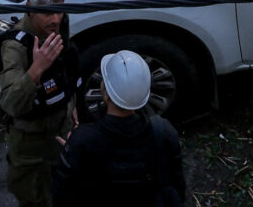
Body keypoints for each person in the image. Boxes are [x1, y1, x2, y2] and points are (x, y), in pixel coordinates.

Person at [50, 50, 185, 207]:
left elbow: (62, 194)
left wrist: (72, 149)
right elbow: (177, 186)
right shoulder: (164, 132)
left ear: (106, 95)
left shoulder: (82, 140)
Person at [0, 0, 83, 206]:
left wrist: (70, 103)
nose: (55, 19)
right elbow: (10, 104)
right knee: (34, 199)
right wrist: (37, 69)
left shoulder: (59, 26)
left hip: (62, 134)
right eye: (47, 13)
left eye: (59, 11)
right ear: (30, 9)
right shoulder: (14, 46)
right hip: (32, 148)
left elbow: (66, 68)